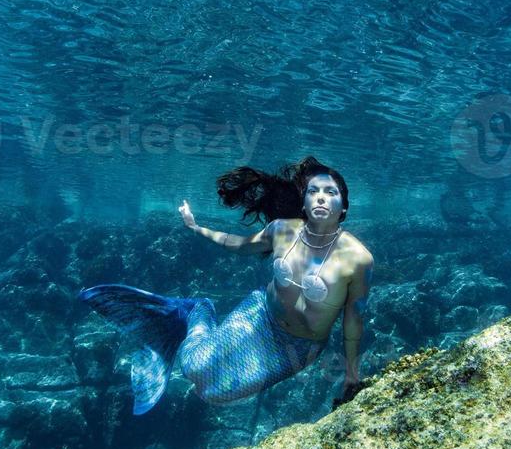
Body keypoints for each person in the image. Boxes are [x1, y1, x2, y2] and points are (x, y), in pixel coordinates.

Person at [77, 156, 374, 414]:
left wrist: (351, 374)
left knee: (213, 393)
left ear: (344, 207)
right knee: (192, 367)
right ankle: (196, 309)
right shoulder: (283, 230)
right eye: (313, 191)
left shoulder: (358, 259)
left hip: (299, 346)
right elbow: (239, 245)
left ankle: (183, 323)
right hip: (261, 316)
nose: (321, 197)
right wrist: (196, 227)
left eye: (330, 192)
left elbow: (353, 320)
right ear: (305, 203)